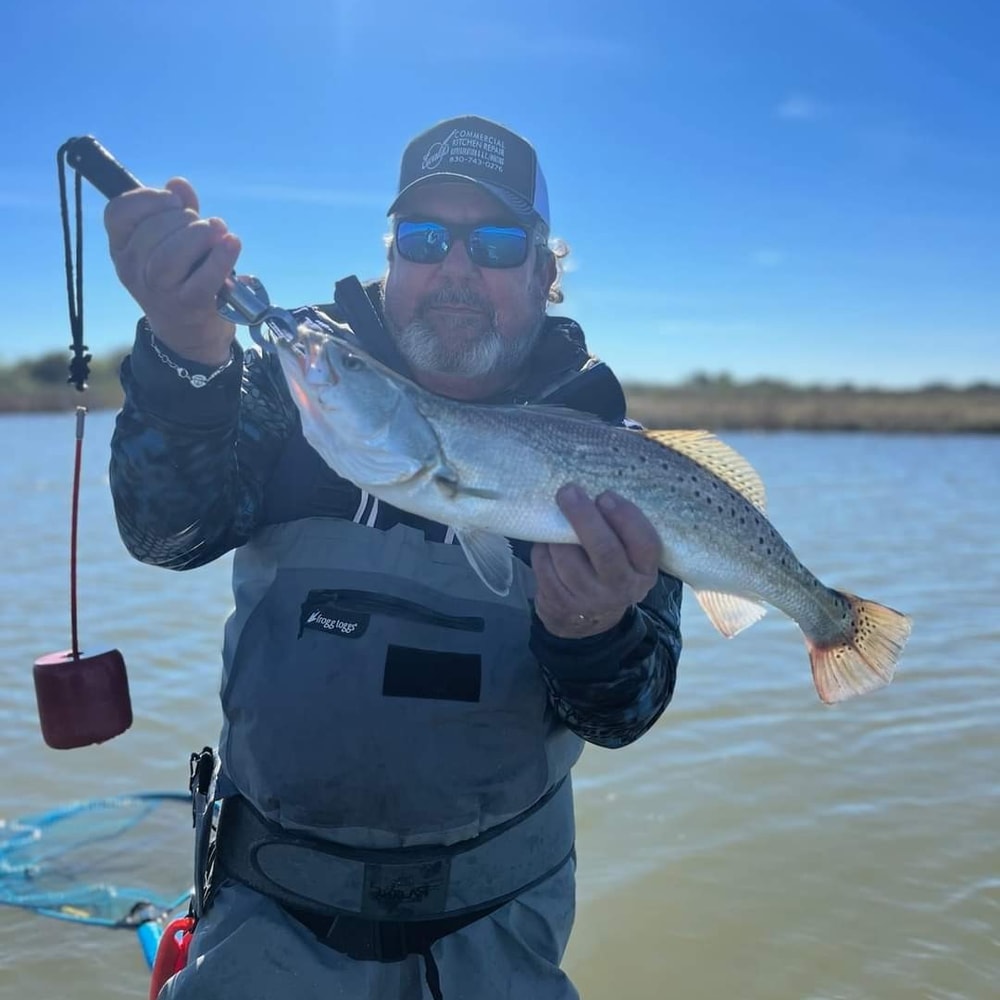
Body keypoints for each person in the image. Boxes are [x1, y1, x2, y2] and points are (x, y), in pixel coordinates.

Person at [105, 114, 683, 1000]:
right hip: (264, 914)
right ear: (391, 260)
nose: (456, 267)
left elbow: (624, 716)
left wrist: (591, 630)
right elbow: (166, 536)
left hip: (503, 926)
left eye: (496, 243)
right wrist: (185, 354)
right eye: (424, 238)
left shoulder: (617, 462)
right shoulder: (297, 392)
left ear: (545, 273)